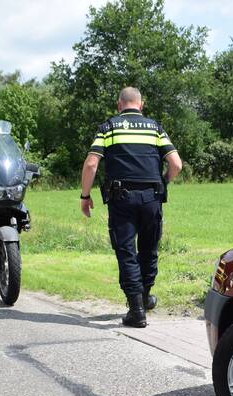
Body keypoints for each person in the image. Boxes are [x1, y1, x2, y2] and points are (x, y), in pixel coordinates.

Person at [79, 86, 183, 328]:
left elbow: (92, 163)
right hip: (152, 199)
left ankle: (136, 310)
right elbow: (176, 164)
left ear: (119, 105)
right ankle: (145, 298)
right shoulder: (155, 128)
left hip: (121, 199)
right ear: (141, 104)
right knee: (149, 250)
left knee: (126, 252)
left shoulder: (109, 127)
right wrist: (163, 182)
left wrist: (85, 195)